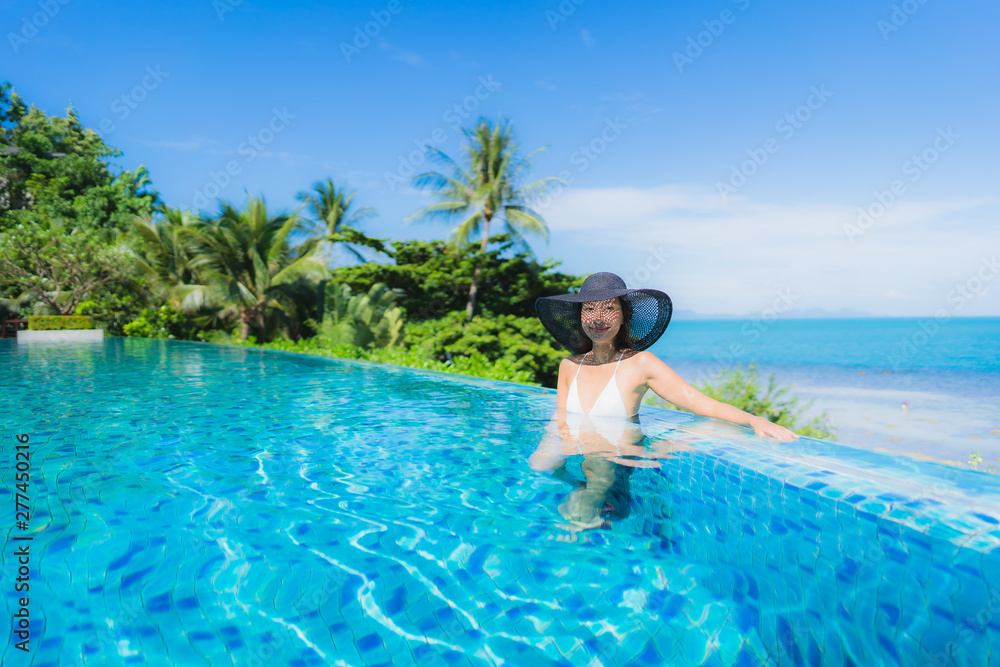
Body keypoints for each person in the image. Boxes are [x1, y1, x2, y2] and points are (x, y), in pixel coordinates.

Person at [529, 272, 798, 536]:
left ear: (625, 317)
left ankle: (581, 523)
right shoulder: (569, 365)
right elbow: (560, 415)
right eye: (589, 310)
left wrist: (754, 420)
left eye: (609, 309)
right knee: (538, 465)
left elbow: (694, 400)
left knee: (598, 470)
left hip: (618, 451)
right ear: (580, 317)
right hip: (578, 444)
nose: (598, 318)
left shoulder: (640, 363)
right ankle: (583, 489)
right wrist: (557, 441)